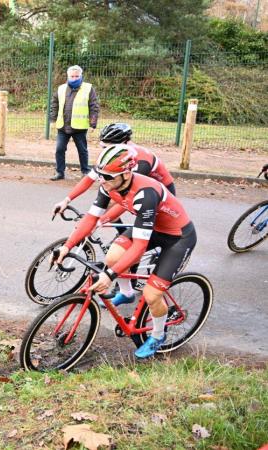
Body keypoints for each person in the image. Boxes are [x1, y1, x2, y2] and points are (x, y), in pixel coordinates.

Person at [53, 144, 197, 359]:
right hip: (154, 228)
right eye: (101, 176)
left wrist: (109, 275)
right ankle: (127, 292)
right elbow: (90, 218)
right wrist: (67, 246)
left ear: (127, 173)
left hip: (178, 237)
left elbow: (139, 246)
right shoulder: (109, 183)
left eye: (108, 177)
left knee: (151, 294)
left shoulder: (146, 193)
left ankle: (158, 336)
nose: (103, 182)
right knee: (112, 256)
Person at [49, 65, 99, 181]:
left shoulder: (88, 88)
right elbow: (54, 105)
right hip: (63, 126)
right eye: (72, 76)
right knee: (59, 149)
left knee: (82, 150)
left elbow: (94, 106)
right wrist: (52, 120)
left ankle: (85, 171)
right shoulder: (61, 88)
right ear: (68, 76)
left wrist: (93, 123)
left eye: (77, 76)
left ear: (81, 76)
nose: (74, 78)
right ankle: (60, 172)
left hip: (79, 127)